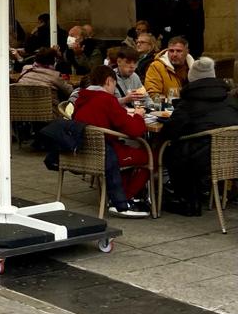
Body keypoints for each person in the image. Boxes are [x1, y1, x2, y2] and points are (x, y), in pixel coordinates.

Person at [161, 57, 238, 216]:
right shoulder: (229, 99)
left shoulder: (189, 101)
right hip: (231, 156)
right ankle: (204, 191)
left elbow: (170, 131)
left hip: (200, 159)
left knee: (171, 150)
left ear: (192, 77)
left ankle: (188, 201)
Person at [73, 64, 152, 217]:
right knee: (150, 156)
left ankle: (120, 194)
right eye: (114, 84)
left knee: (128, 151)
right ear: (109, 81)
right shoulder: (107, 100)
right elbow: (135, 130)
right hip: (106, 153)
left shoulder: (81, 98)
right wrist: (138, 115)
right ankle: (124, 199)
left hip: (84, 151)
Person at [145, 36, 194, 101]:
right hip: (167, 108)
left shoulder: (195, 67)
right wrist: (169, 103)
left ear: (187, 52)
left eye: (179, 51)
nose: (174, 54)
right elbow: (153, 94)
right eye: (171, 51)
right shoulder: (156, 66)